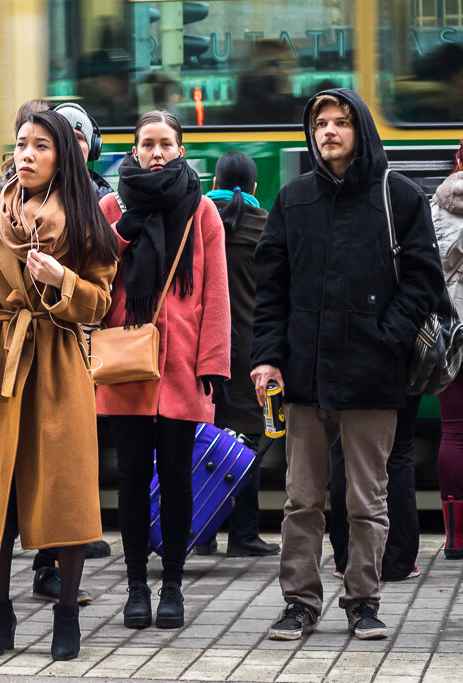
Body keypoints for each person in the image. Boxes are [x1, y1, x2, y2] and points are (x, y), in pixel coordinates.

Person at [253, 89, 444, 641]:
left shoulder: (399, 196)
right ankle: (299, 603)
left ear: (361, 128)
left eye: (341, 122)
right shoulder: (294, 199)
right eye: (320, 123)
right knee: (302, 501)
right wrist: (267, 357)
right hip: (305, 378)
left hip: (372, 376)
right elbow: (272, 290)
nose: (329, 132)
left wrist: (388, 336)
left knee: (366, 500)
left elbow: (424, 280)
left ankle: (363, 600)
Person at [0, 109, 117, 661]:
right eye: (22, 144)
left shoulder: (88, 220)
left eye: (41, 145)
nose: (27, 154)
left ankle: (67, 612)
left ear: (62, 154)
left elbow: (101, 302)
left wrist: (62, 279)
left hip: (60, 365)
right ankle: (0, 613)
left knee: (64, 490)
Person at [97, 110, 231, 631]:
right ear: (134, 151)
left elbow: (216, 292)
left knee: (177, 478)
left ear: (180, 150)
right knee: (131, 479)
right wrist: (123, 233)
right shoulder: (113, 205)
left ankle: (171, 585)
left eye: (165, 144)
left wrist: (214, 362)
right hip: (128, 362)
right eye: (147, 144)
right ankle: (135, 587)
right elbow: (94, 275)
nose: (156, 152)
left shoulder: (201, 210)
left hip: (182, 365)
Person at [198, 151, 279, 558]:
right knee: (246, 440)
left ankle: (204, 529)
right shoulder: (266, 226)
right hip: (250, 349)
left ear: (213, 181)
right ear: (254, 188)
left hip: (201, 348)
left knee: (205, 436)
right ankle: (244, 534)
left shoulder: (195, 222)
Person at [432, 129, 463, 559]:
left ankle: (455, 537)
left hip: (456, 335)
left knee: (456, 433)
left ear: (459, 163)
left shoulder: (436, 207)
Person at [328, 395, 423, 581]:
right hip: (394, 379)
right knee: (398, 453)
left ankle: (346, 558)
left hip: (337, 377)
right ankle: (397, 561)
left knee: (342, 449)